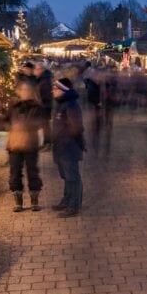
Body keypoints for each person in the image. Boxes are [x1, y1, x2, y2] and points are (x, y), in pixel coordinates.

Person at [6, 81, 47, 212]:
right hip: (14, 144)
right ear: (18, 92)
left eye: (27, 90)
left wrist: (47, 139)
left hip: (30, 144)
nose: (25, 92)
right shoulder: (14, 106)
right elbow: (5, 121)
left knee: (32, 172)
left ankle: (35, 200)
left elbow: (43, 124)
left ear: (31, 92)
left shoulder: (37, 107)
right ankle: (18, 201)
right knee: (15, 173)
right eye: (22, 90)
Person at [51, 77, 87, 216]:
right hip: (61, 147)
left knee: (73, 177)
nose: (53, 91)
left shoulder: (71, 105)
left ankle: (74, 206)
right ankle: (67, 200)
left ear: (62, 90)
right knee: (66, 176)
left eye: (55, 88)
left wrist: (70, 142)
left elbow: (77, 128)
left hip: (68, 147)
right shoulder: (62, 104)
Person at [35, 62, 55, 145]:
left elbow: (46, 95)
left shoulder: (45, 80)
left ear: (41, 70)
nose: (35, 71)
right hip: (44, 105)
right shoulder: (43, 78)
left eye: (36, 69)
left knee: (45, 125)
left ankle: (47, 143)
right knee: (44, 125)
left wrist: (39, 102)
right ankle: (46, 142)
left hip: (45, 106)